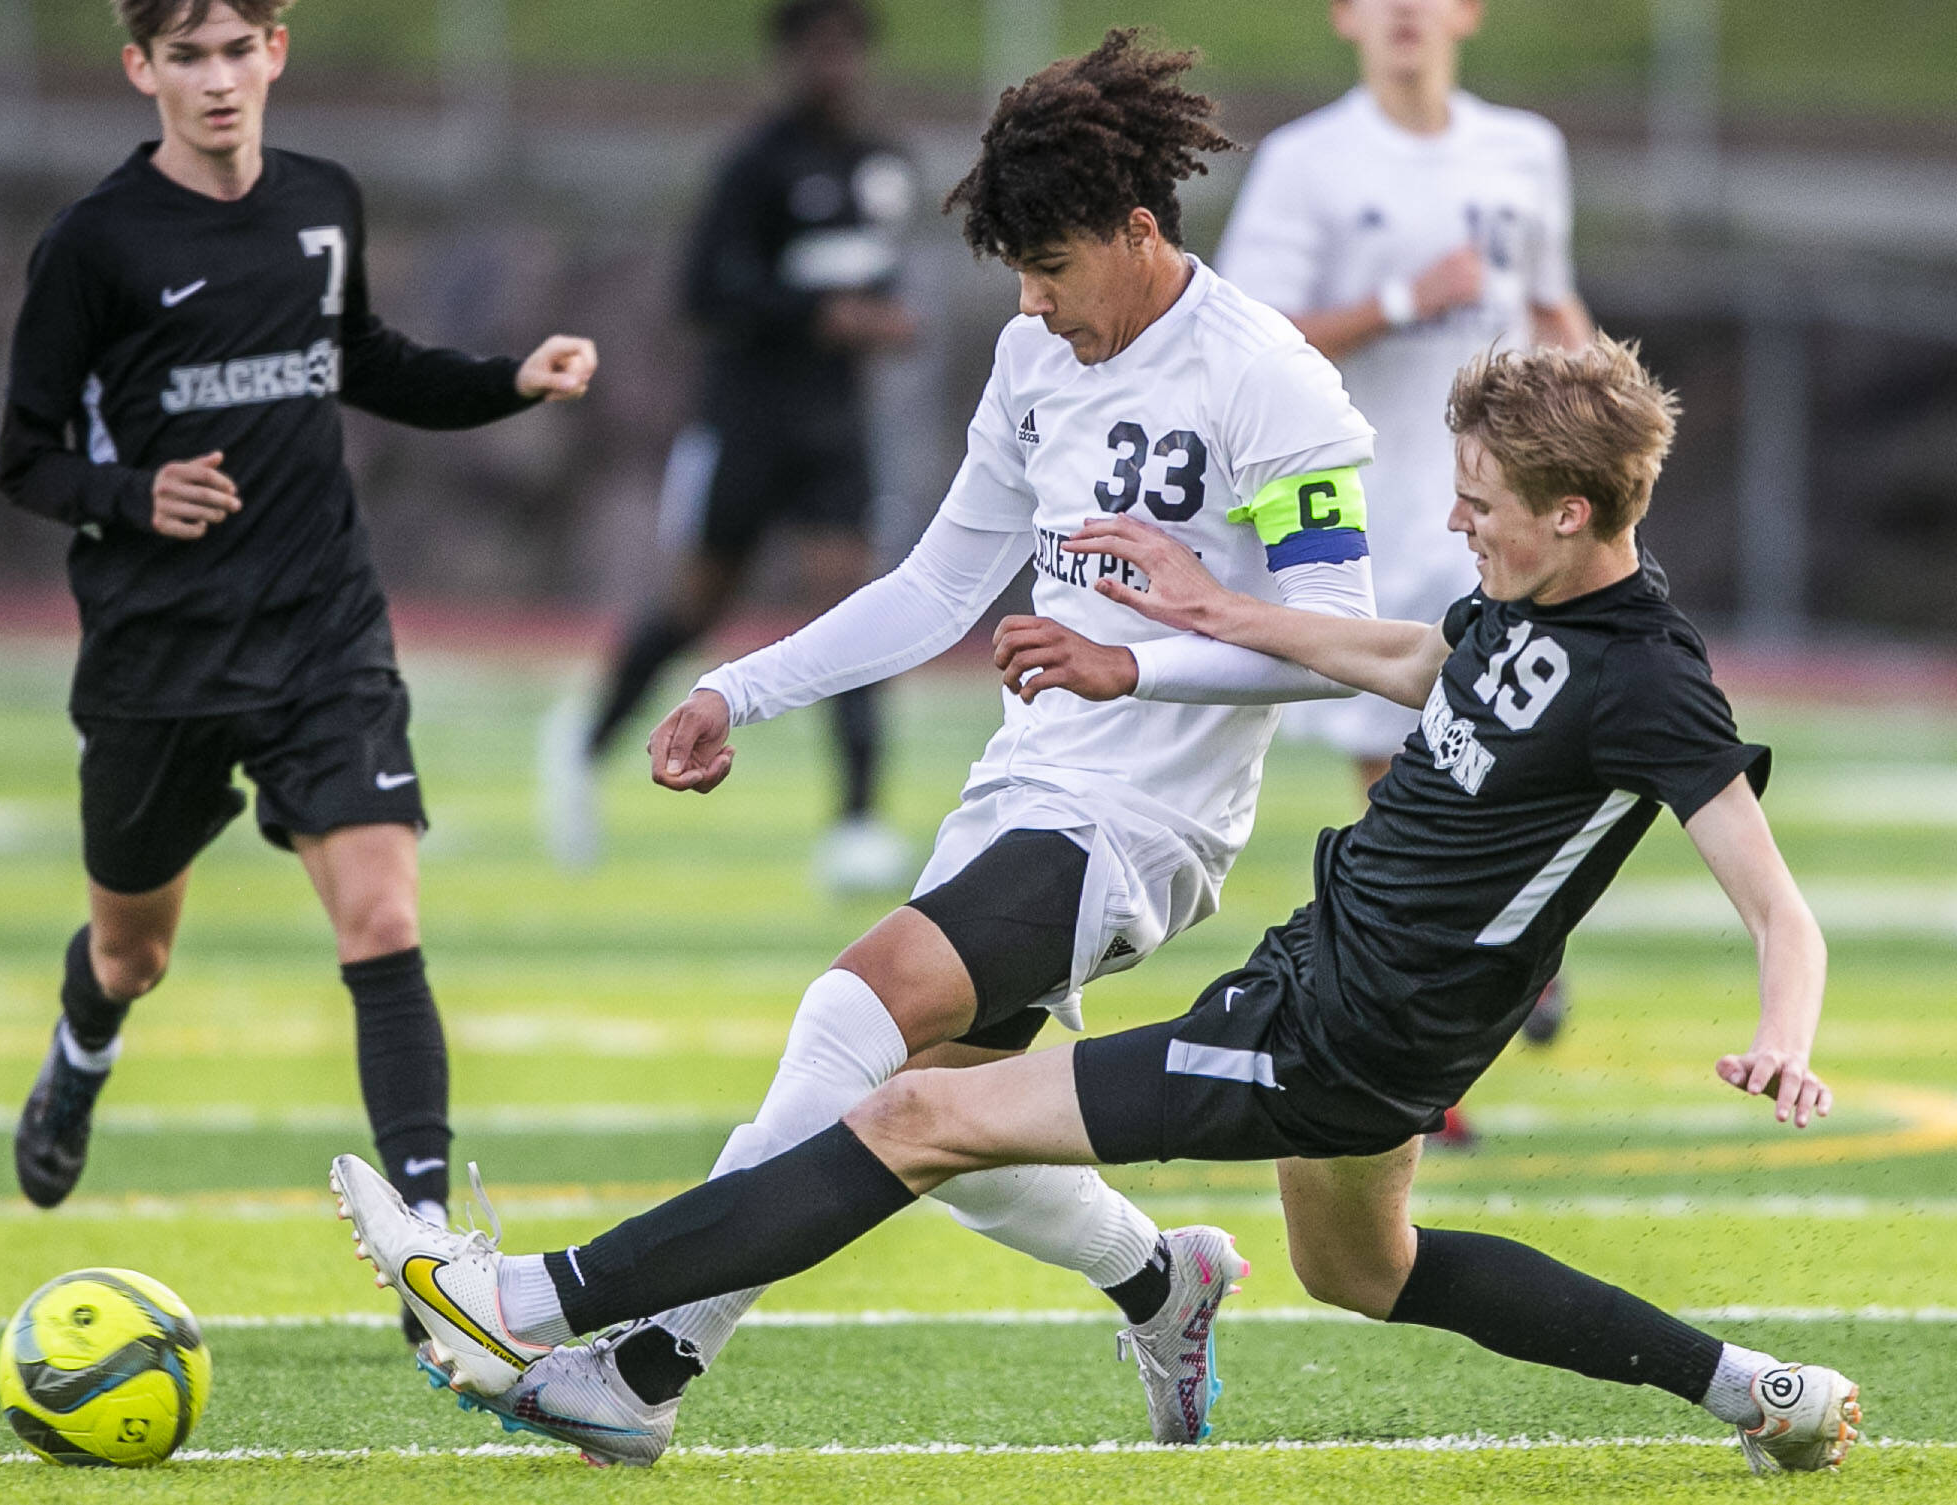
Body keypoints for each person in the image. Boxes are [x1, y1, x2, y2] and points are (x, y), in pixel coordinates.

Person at [335, 336, 1862, 1476]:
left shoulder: (1652, 685)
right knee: (1365, 1271)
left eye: (1484, 506)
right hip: (1348, 1006)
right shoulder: (1530, 601)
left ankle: (531, 1302)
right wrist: (1198, 617)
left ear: (1582, 510)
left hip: (1330, 1033)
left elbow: (1779, 907)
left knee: (914, 1111)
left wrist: (1781, 1038)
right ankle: (1754, 1391)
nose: (1460, 525)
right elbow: (1416, 661)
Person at [356, 29, 1380, 1463]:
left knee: (854, 1011)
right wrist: (740, 688)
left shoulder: (1271, 379)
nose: (1033, 303)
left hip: (1143, 830)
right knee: (936, 1125)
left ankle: (563, 1320)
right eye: (1015, 274)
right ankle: (1162, 1276)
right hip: (1021, 792)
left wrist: (1125, 657)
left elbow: (1347, 638)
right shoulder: (1035, 355)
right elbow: (937, 585)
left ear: (1142, 231)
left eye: (1056, 268)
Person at [0, 0, 597, 1342]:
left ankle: (433, 1255)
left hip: (323, 624)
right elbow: (25, 454)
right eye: (186, 56)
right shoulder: (95, 243)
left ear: (278, 49)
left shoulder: (324, 200)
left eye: (237, 49)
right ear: (140, 67)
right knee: (132, 948)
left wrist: (512, 379)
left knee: (381, 916)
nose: (217, 82)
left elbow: (361, 358)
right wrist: (134, 493)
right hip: (160, 651)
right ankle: (84, 1044)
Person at [1215, 0, 1596, 1079]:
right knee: (1413, 793)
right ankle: (1448, 1035)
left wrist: (1606, 411)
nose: (1402, 15)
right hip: (1370, 521)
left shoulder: (1522, 152)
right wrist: (1396, 298)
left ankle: (1508, 954)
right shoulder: (1307, 162)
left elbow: (1547, 308)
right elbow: (1251, 340)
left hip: (1512, 520)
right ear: (1344, 17)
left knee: (1520, 763)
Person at [543, 0, 920, 892]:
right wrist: (818, 316)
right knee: (698, 605)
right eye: (817, 48)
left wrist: (885, 319)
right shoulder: (755, 164)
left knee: (852, 608)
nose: (835, 66)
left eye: (848, 48)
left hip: (835, 427)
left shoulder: (880, 163)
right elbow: (705, 289)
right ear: (789, 57)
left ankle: (857, 822)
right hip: (751, 420)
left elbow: (877, 278)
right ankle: (584, 745)